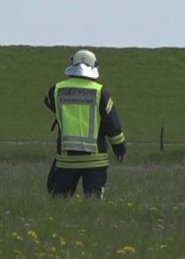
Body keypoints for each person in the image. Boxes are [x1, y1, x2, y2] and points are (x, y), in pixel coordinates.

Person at [43, 49, 127, 198]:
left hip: (66, 160)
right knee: (93, 201)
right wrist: (120, 150)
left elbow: (49, 102)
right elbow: (112, 126)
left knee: (59, 201)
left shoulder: (56, 90)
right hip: (95, 161)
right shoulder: (100, 92)